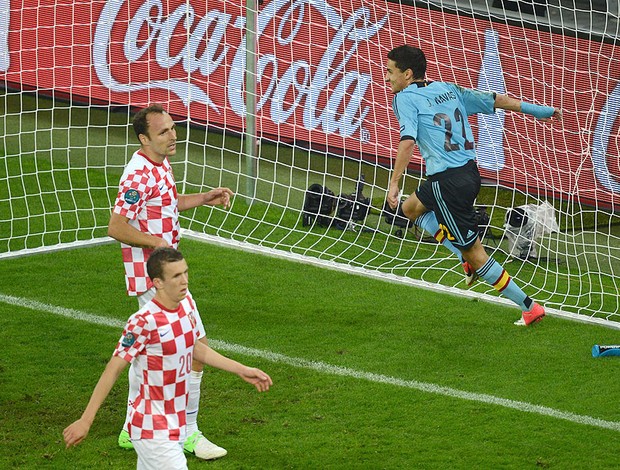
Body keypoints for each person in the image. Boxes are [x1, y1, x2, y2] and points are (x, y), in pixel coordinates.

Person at [384, 45, 562, 326]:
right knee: (411, 209)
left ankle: (529, 307)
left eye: (390, 71)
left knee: (476, 254)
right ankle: (463, 255)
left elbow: (407, 141)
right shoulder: (448, 89)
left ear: (407, 74)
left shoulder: (405, 99)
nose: (386, 77)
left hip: (447, 183)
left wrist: (393, 183)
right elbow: (494, 100)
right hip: (468, 173)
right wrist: (536, 110)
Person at [63, 247, 273, 469]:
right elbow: (113, 369)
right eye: (176, 276)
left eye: (185, 272)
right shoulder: (144, 321)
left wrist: (240, 369)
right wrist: (86, 421)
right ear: (158, 282)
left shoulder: (186, 306)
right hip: (151, 427)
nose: (184, 281)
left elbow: (194, 348)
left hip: (175, 423)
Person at [107, 104, 235, 459]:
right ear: (144, 138)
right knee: (194, 347)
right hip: (153, 279)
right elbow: (116, 227)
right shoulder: (136, 175)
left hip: (166, 274)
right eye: (163, 132)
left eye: (173, 128)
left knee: (154, 355)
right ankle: (187, 432)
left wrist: (204, 198)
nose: (172, 135)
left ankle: (133, 429)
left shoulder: (160, 165)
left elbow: (168, 204)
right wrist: (157, 243)